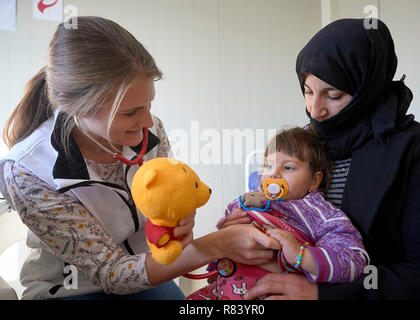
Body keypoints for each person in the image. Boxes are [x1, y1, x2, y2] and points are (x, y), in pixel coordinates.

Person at [0, 16, 281, 300]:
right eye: (129, 112)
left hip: (146, 274)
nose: (148, 121)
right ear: (74, 106)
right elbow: (111, 273)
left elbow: (167, 200)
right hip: (71, 290)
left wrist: (182, 218)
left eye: (148, 104)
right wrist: (216, 246)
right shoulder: (27, 171)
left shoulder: (150, 129)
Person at [229, 18, 420, 300]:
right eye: (307, 91)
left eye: (334, 95)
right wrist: (250, 222)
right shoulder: (306, 144)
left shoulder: (416, 150)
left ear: (366, 90)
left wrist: (323, 295)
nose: (315, 111)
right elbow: (281, 205)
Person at [186, 127, 369, 300]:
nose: (274, 174)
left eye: (288, 167)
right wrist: (223, 235)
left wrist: (301, 255)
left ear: (314, 180)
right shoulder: (247, 203)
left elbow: (353, 259)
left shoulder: (322, 215)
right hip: (223, 288)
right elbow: (222, 238)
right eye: (268, 165)